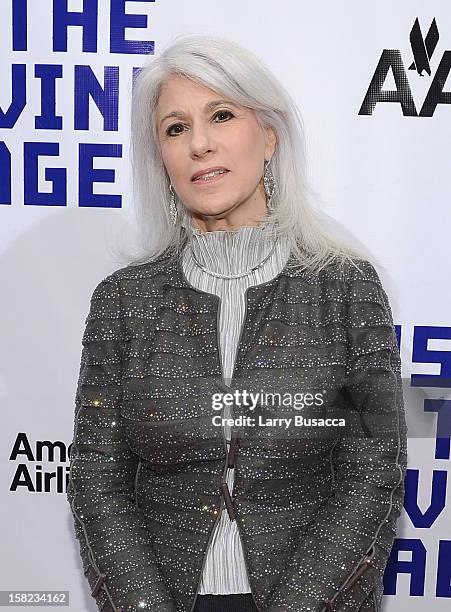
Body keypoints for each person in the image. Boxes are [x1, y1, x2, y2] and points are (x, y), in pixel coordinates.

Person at [67, 35, 408, 612]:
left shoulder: (348, 291)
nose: (199, 143)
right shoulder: (122, 303)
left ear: (269, 136)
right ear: (162, 158)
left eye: (221, 115)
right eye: (176, 128)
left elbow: (372, 477)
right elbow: (97, 482)